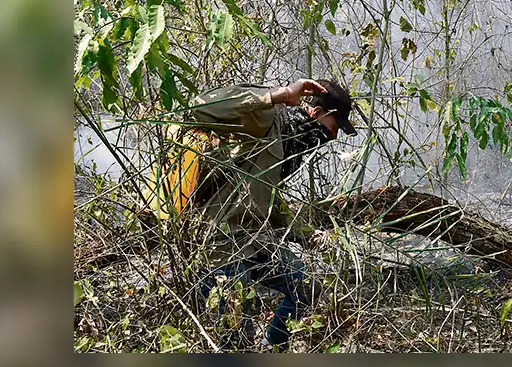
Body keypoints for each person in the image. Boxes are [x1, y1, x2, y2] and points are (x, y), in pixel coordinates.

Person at [148, 77, 357, 350]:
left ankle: (271, 349)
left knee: (305, 287)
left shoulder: (288, 142)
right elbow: (200, 109)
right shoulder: (266, 119)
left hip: (254, 240)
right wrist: (278, 95)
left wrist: (308, 235)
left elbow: (265, 193)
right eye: (334, 127)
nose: (334, 136)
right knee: (237, 338)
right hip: (221, 244)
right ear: (316, 113)